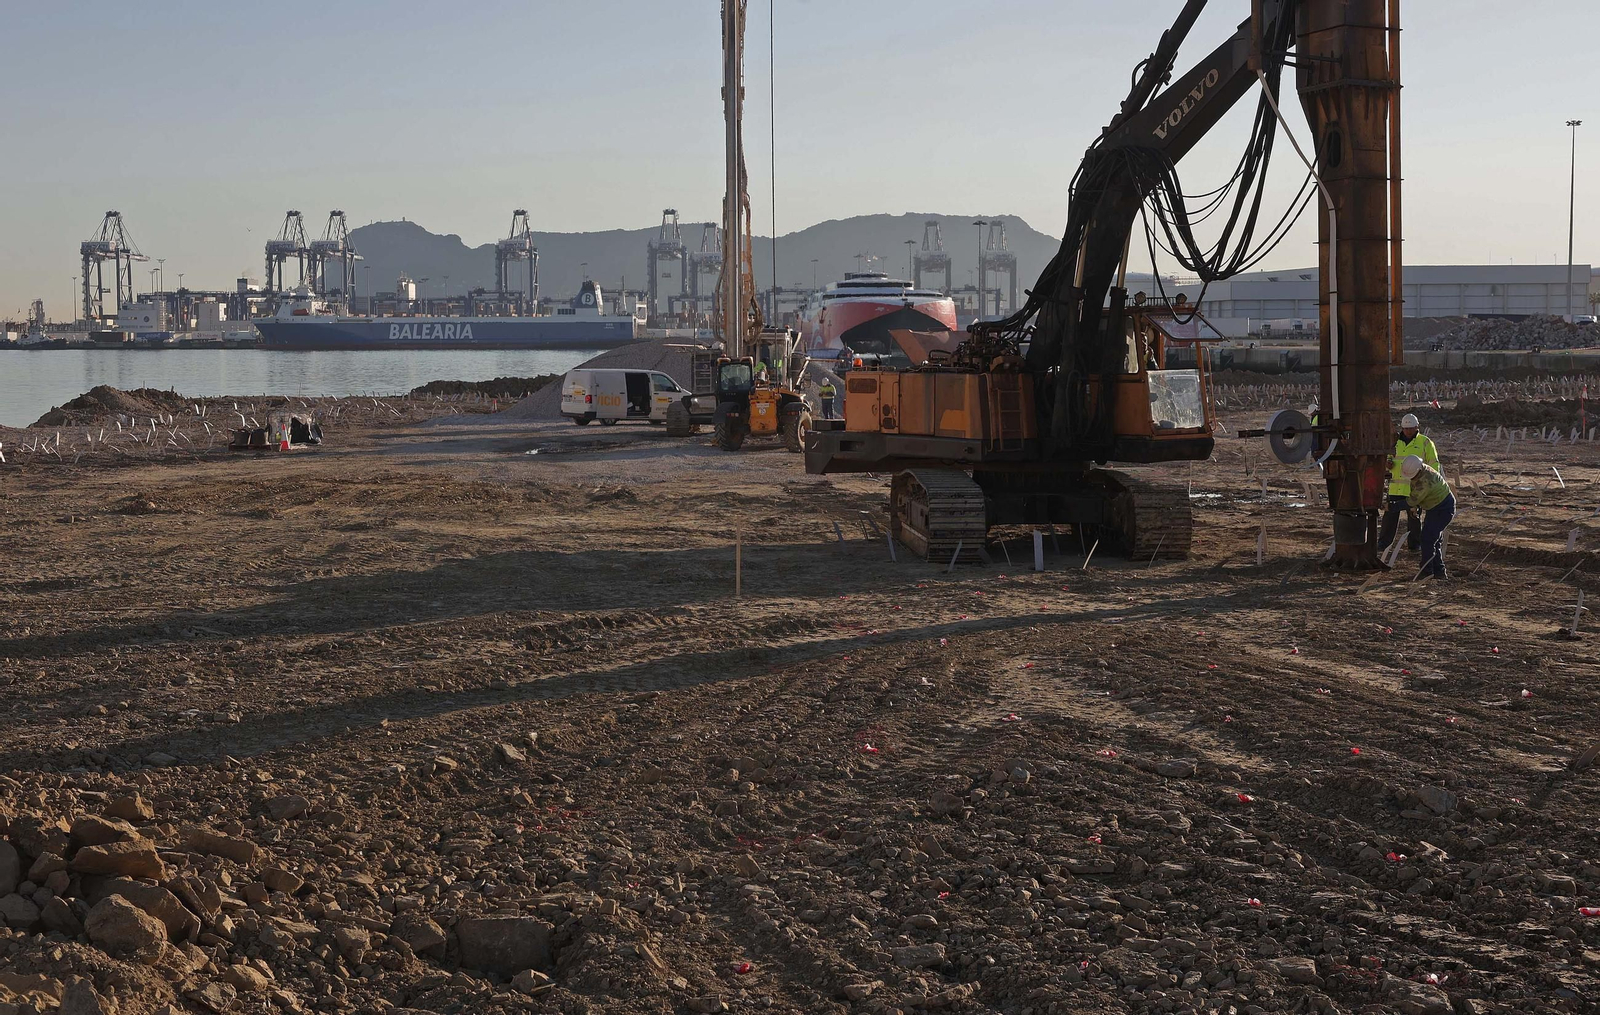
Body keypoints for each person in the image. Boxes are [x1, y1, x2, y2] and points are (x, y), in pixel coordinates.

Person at [1381, 413, 1440, 554]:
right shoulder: (1395, 442)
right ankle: (1383, 544)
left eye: (1411, 428)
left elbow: (1434, 465)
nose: (1408, 431)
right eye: (1406, 429)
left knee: (1414, 519)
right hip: (1396, 488)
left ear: (1417, 427)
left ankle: (1414, 546)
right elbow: (1387, 459)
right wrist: (1387, 464)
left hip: (1414, 489)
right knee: (1389, 518)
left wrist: (1430, 484)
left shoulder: (1425, 443)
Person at [1402, 455, 1455, 579]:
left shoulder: (1425, 480)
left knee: (1427, 539)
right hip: (1435, 507)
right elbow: (1415, 493)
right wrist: (1416, 506)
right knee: (1433, 540)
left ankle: (1427, 572)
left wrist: (1391, 506)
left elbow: (1412, 500)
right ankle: (1439, 572)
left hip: (1442, 509)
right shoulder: (1419, 470)